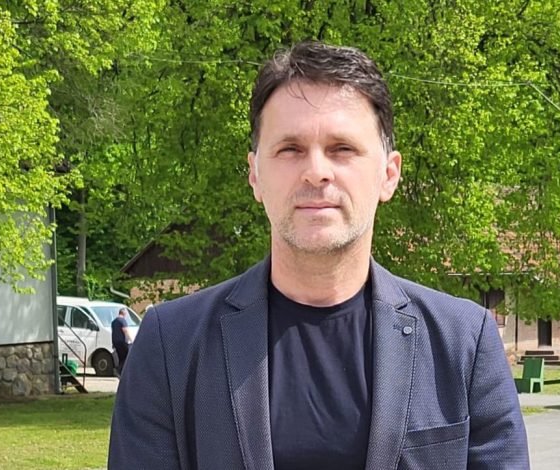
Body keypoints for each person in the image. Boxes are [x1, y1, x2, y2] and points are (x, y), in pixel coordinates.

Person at [109, 41, 529, 469]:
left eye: (342, 148)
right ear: (255, 175)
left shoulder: (464, 343)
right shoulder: (171, 345)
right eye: (290, 149)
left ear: (389, 175)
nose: (316, 171)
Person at [110, 307, 133, 376]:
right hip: (121, 342)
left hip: (115, 342)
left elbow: (113, 332)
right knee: (126, 356)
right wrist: (131, 340)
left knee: (121, 357)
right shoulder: (123, 321)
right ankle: (119, 370)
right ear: (124, 314)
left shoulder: (114, 322)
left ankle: (121, 372)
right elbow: (125, 331)